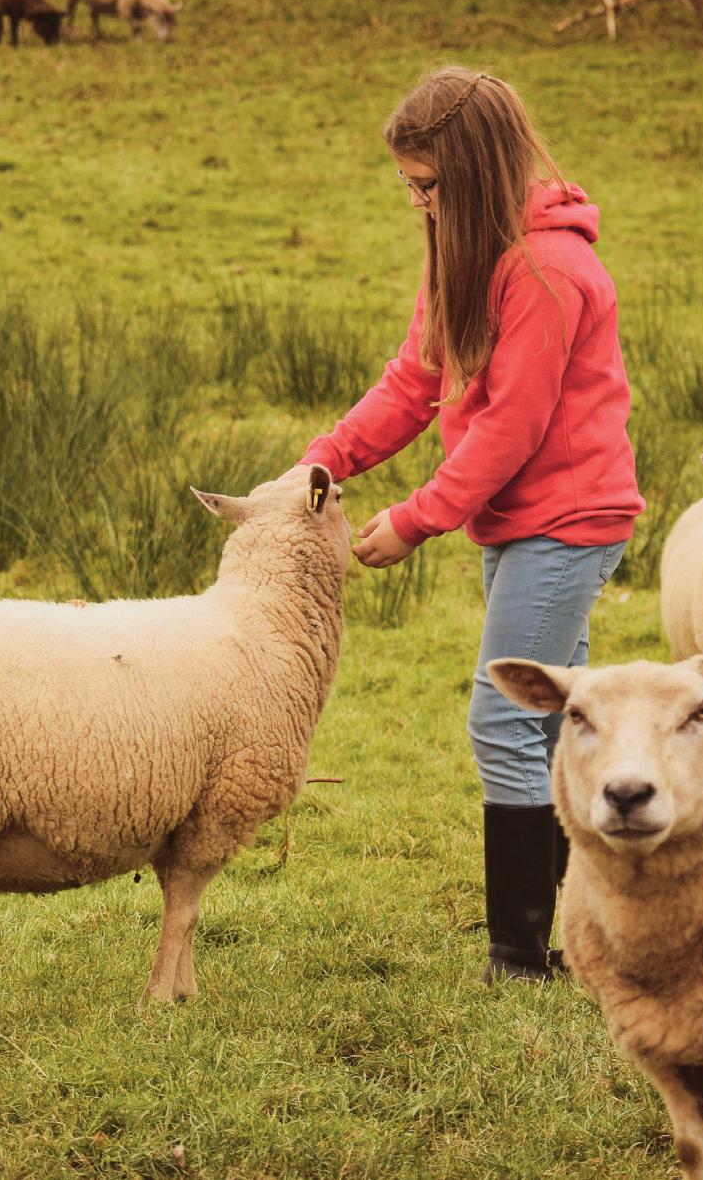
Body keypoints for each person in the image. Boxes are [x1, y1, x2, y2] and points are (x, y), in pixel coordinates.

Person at [297, 65, 643, 982]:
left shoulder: (546, 271)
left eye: (427, 184)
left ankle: (520, 955)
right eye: (406, 184)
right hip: (522, 520)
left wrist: (417, 519)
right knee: (546, 722)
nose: (415, 201)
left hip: (568, 518)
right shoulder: (465, 248)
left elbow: (513, 424)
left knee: (503, 717)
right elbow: (417, 376)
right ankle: (583, 929)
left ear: (476, 170)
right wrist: (327, 458)